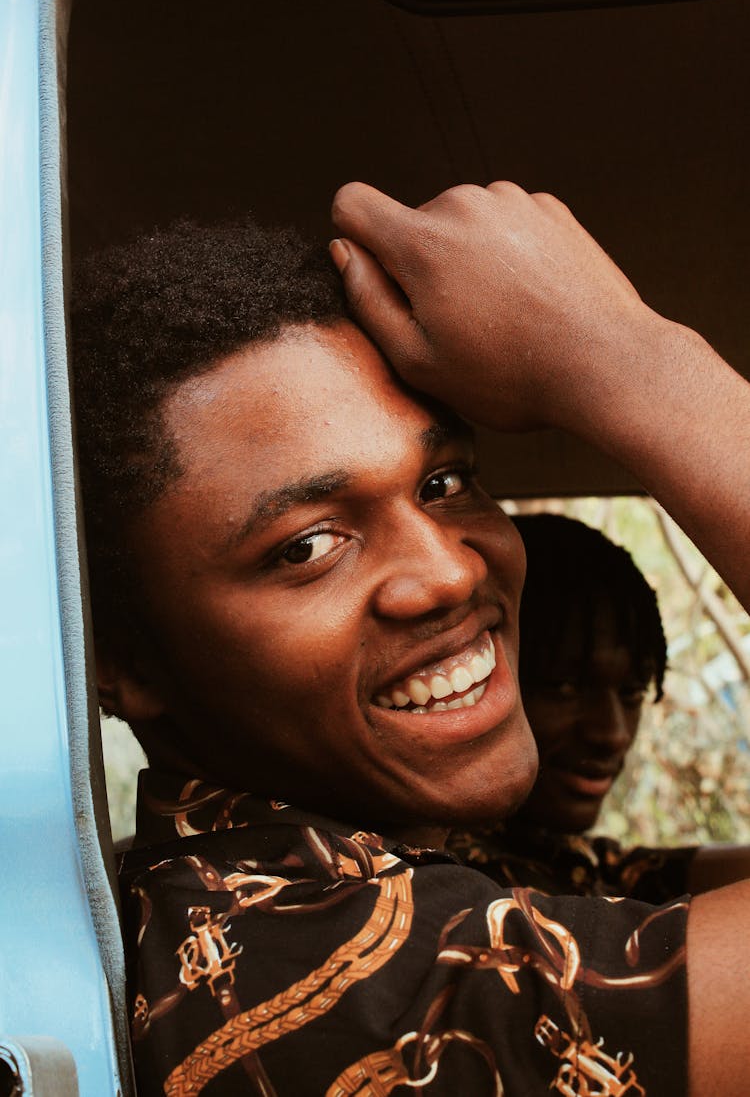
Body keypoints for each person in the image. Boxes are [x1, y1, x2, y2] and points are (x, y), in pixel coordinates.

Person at [70, 183, 750, 1095]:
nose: (450, 572)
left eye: (443, 482)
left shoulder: (420, 855)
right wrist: (623, 356)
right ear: (125, 662)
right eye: (308, 545)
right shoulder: (322, 969)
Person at [449, 512, 750, 902]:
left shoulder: (570, 861)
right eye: (565, 687)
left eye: (633, 692)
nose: (613, 733)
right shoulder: (471, 887)